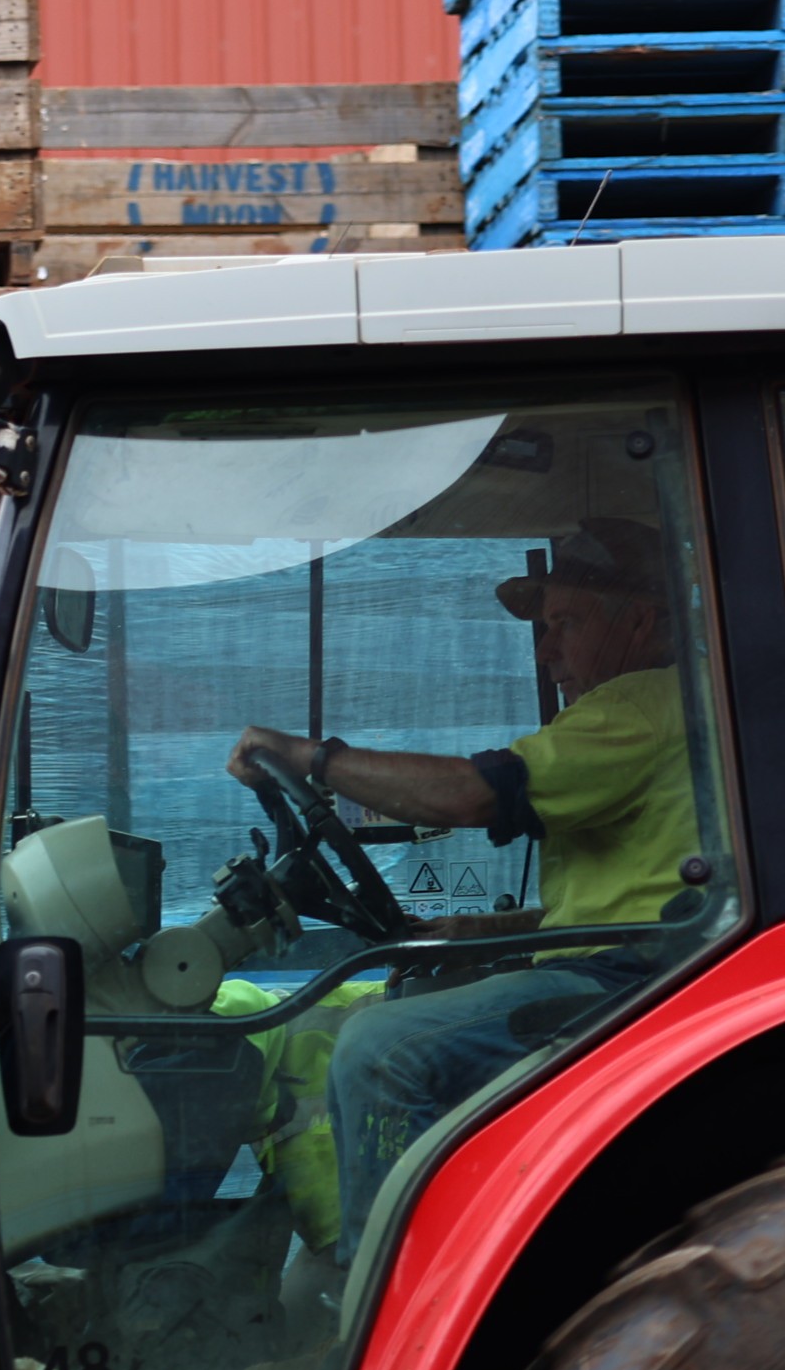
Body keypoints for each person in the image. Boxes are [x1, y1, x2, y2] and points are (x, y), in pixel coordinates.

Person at [229, 514, 701, 1251]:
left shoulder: (639, 703)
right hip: (631, 962)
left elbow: (474, 795)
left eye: (566, 623)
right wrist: (484, 931)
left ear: (640, 621)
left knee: (379, 1049)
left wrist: (311, 758)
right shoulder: (674, 706)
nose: (545, 651)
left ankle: (395, 1286)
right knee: (389, 1004)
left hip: (627, 983)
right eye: (545, 628)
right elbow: (635, 895)